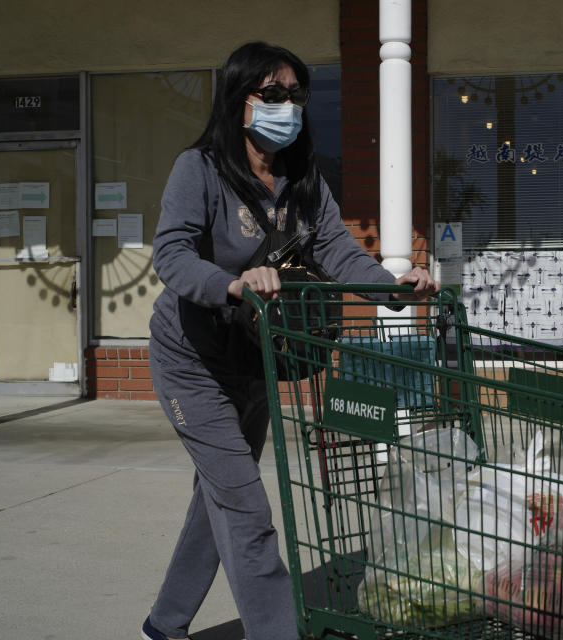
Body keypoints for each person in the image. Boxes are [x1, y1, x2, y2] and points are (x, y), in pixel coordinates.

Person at [142, 41, 438, 640]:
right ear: (239, 101)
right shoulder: (198, 170)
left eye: (295, 95)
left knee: (221, 500)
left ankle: (164, 624)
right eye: (272, 95)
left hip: (257, 357)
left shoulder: (303, 179)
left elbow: (336, 252)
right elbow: (170, 255)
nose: (287, 106)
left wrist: (394, 289)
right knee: (248, 511)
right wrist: (231, 283)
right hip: (192, 362)